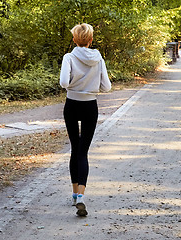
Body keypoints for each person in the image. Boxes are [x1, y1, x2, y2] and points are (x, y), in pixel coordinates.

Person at [60, 23, 111, 216]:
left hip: (72, 105)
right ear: (90, 40)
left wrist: (75, 85)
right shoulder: (98, 59)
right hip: (90, 106)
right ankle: (80, 195)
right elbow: (106, 87)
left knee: (74, 148)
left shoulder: (69, 57)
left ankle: (74, 195)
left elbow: (64, 82)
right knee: (84, 152)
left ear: (74, 39)